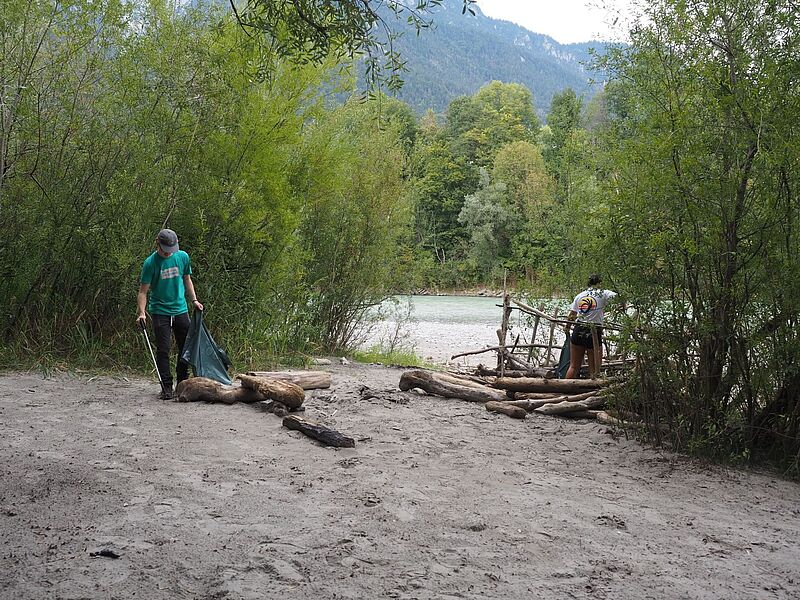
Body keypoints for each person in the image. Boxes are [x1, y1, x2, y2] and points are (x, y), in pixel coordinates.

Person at [136, 229, 203, 399]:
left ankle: (182, 383)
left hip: (180, 309)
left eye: (171, 249)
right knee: (163, 350)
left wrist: (194, 300)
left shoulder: (182, 257)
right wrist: (142, 313)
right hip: (160, 311)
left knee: (185, 348)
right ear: (158, 244)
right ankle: (166, 386)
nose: (168, 253)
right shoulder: (150, 263)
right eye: (165, 249)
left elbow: (187, 279)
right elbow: (143, 292)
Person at [564, 274, 617, 379]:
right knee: (594, 368)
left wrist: (567, 328)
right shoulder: (604, 293)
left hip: (578, 329)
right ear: (600, 283)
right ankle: (594, 389)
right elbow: (620, 297)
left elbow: (572, 315)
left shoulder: (580, 296)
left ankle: (564, 388)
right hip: (594, 330)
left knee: (574, 366)